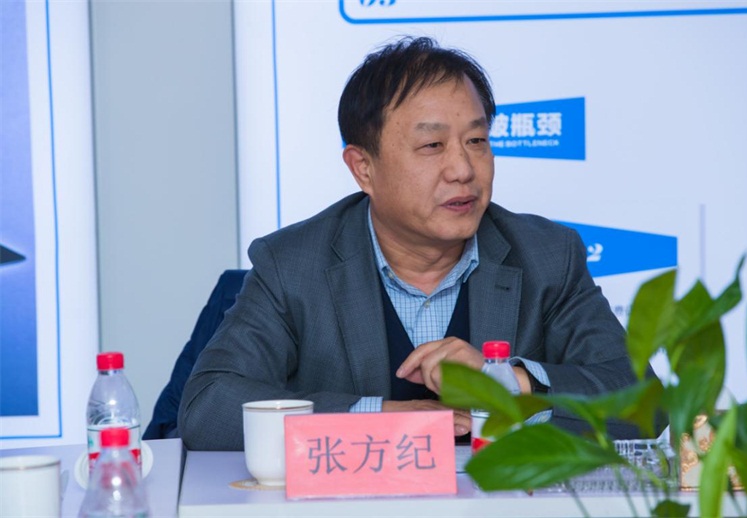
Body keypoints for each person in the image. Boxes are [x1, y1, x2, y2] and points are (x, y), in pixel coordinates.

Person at [179, 36, 646, 451]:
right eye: (432, 146)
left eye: (477, 140)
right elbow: (208, 408)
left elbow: (642, 404)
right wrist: (378, 419)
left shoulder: (547, 256)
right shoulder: (293, 265)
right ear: (363, 168)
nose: (463, 169)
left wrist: (506, 380)